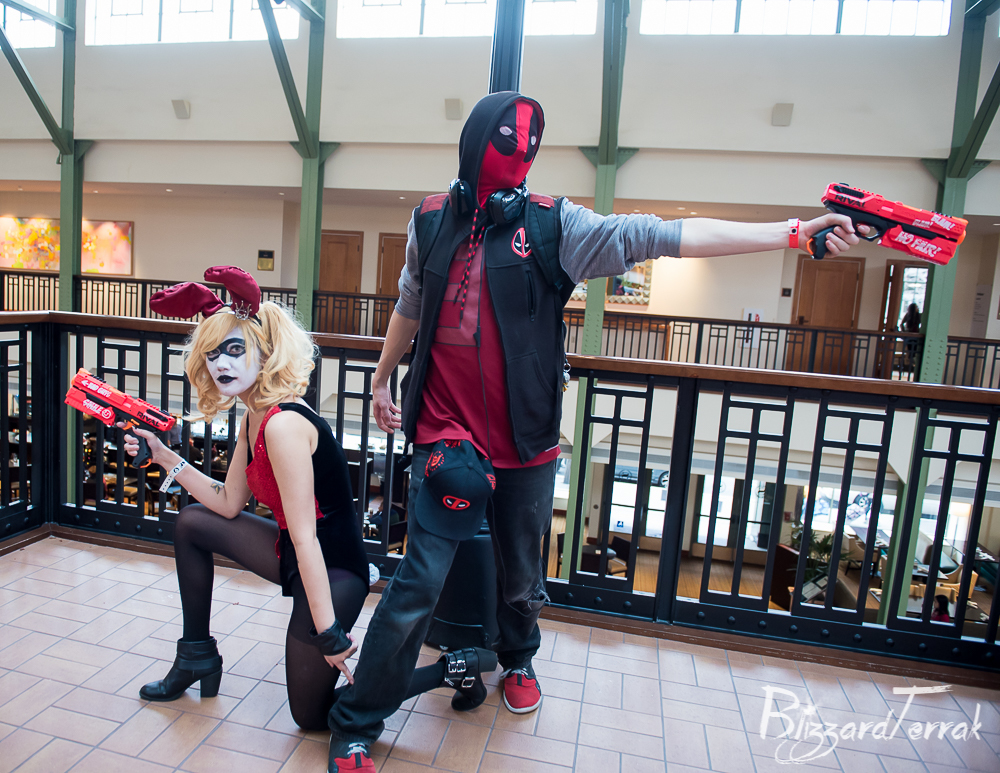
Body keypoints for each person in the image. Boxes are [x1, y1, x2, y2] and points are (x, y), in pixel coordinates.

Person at [325, 91, 863, 771]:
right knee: (416, 583)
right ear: (474, 142)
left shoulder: (557, 225)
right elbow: (412, 300)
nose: (520, 154)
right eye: (507, 140)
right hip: (445, 431)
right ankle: (357, 719)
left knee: (520, 577)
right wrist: (382, 377)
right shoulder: (430, 218)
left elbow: (667, 236)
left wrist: (792, 233)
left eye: (529, 145)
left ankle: (518, 657)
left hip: (525, 438)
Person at [121, 266, 496, 738]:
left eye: (234, 350)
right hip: (293, 555)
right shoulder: (254, 416)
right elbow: (229, 502)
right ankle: (196, 655)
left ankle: (452, 669)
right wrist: (164, 456)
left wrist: (329, 633)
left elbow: (307, 539)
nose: (221, 364)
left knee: (314, 717)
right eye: (212, 353)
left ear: (266, 351)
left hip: (333, 572)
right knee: (194, 523)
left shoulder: (282, 424)